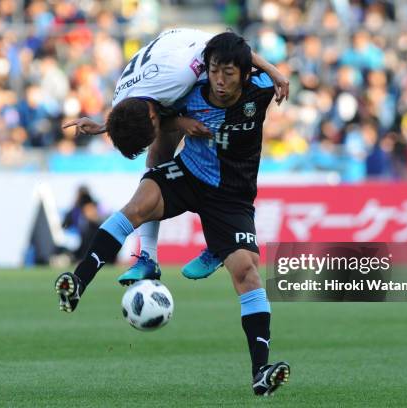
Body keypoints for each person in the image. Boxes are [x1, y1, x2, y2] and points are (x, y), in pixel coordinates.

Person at [55, 32, 290, 396]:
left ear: (244, 74)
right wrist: (169, 124)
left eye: (229, 73)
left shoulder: (259, 90)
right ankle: (78, 282)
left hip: (232, 196)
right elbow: (147, 116)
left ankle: (260, 372)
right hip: (189, 173)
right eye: (215, 71)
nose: (220, 80)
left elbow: (241, 53)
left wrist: (275, 72)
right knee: (136, 206)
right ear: (206, 69)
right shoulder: (188, 90)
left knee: (247, 272)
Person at [62, 28, 289, 286]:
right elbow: (126, 115)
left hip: (187, 48)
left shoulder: (182, 76)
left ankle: (211, 243)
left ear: (153, 115)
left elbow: (225, 47)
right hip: (165, 63)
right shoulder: (123, 102)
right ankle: (148, 257)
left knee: (166, 149)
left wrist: (273, 70)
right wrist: (105, 126)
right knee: (157, 157)